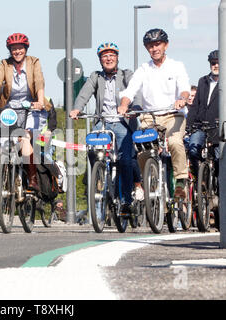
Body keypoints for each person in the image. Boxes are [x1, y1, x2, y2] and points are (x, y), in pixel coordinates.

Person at [70, 42, 144, 215]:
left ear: (117, 58)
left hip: (123, 122)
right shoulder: (96, 76)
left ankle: (126, 200)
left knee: (125, 160)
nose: (108, 58)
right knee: (91, 149)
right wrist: (77, 108)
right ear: (100, 60)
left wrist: (136, 109)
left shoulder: (126, 75)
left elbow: (136, 92)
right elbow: (84, 93)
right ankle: (99, 175)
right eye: (104, 56)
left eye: (111, 55)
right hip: (102, 122)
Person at [118, 28, 191, 199]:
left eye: (157, 44)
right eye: (150, 46)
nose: (154, 48)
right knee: (142, 151)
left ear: (165, 45)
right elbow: (130, 90)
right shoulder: (144, 69)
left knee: (174, 142)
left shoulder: (176, 66)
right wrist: (123, 105)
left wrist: (182, 99)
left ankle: (181, 181)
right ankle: (149, 179)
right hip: (150, 117)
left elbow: (185, 88)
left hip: (174, 115)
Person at [0, 33, 52, 194]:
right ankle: (4, 175)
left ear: (25, 49)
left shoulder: (34, 62)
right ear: (10, 50)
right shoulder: (5, 64)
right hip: (10, 108)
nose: (17, 51)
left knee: (25, 138)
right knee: (1, 138)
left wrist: (40, 101)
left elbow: (39, 81)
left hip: (32, 107)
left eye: (20, 48)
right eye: (13, 49)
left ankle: (32, 179)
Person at [187, 50, 219, 178]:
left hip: (217, 127)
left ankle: (217, 187)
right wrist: (189, 125)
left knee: (218, 158)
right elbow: (195, 105)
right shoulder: (203, 81)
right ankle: (201, 180)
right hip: (200, 125)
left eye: (218, 63)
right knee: (193, 151)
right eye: (213, 63)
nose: (216, 65)